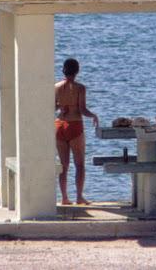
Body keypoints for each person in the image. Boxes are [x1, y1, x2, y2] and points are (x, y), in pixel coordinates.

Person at [54, 58, 99, 205]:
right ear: (77, 71)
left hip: (59, 125)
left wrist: (62, 107)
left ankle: (64, 198)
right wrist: (94, 115)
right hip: (74, 125)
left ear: (63, 70)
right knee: (79, 164)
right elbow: (82, 110)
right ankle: (79, 197)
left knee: (63, 165)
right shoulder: (80, 88)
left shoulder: (56, 87)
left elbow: (53, 108)